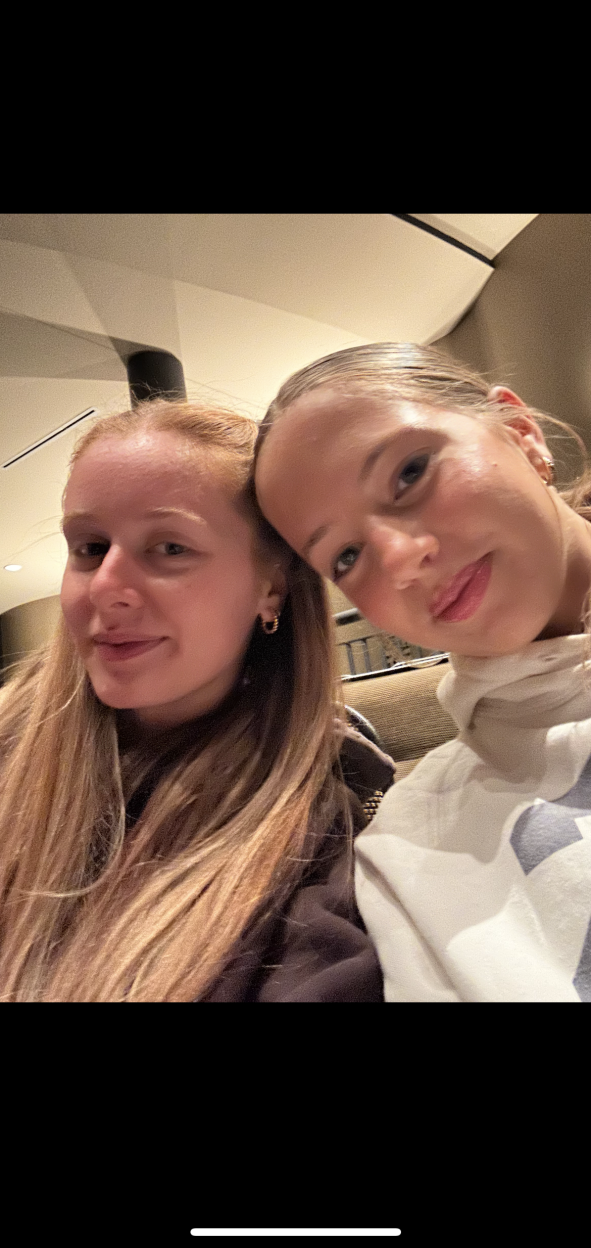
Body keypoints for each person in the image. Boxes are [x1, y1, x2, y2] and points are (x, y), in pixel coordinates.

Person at [0, 398, 393, 1002]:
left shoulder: (331, 829)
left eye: (170, 548)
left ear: (270, 587)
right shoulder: (13, 744)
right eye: (90, 547)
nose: (105, 587)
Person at [254, 341, 591, 1002]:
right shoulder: (414, 845)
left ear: (521, 433)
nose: (401, 560)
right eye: (346, 556)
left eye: (409, 473)